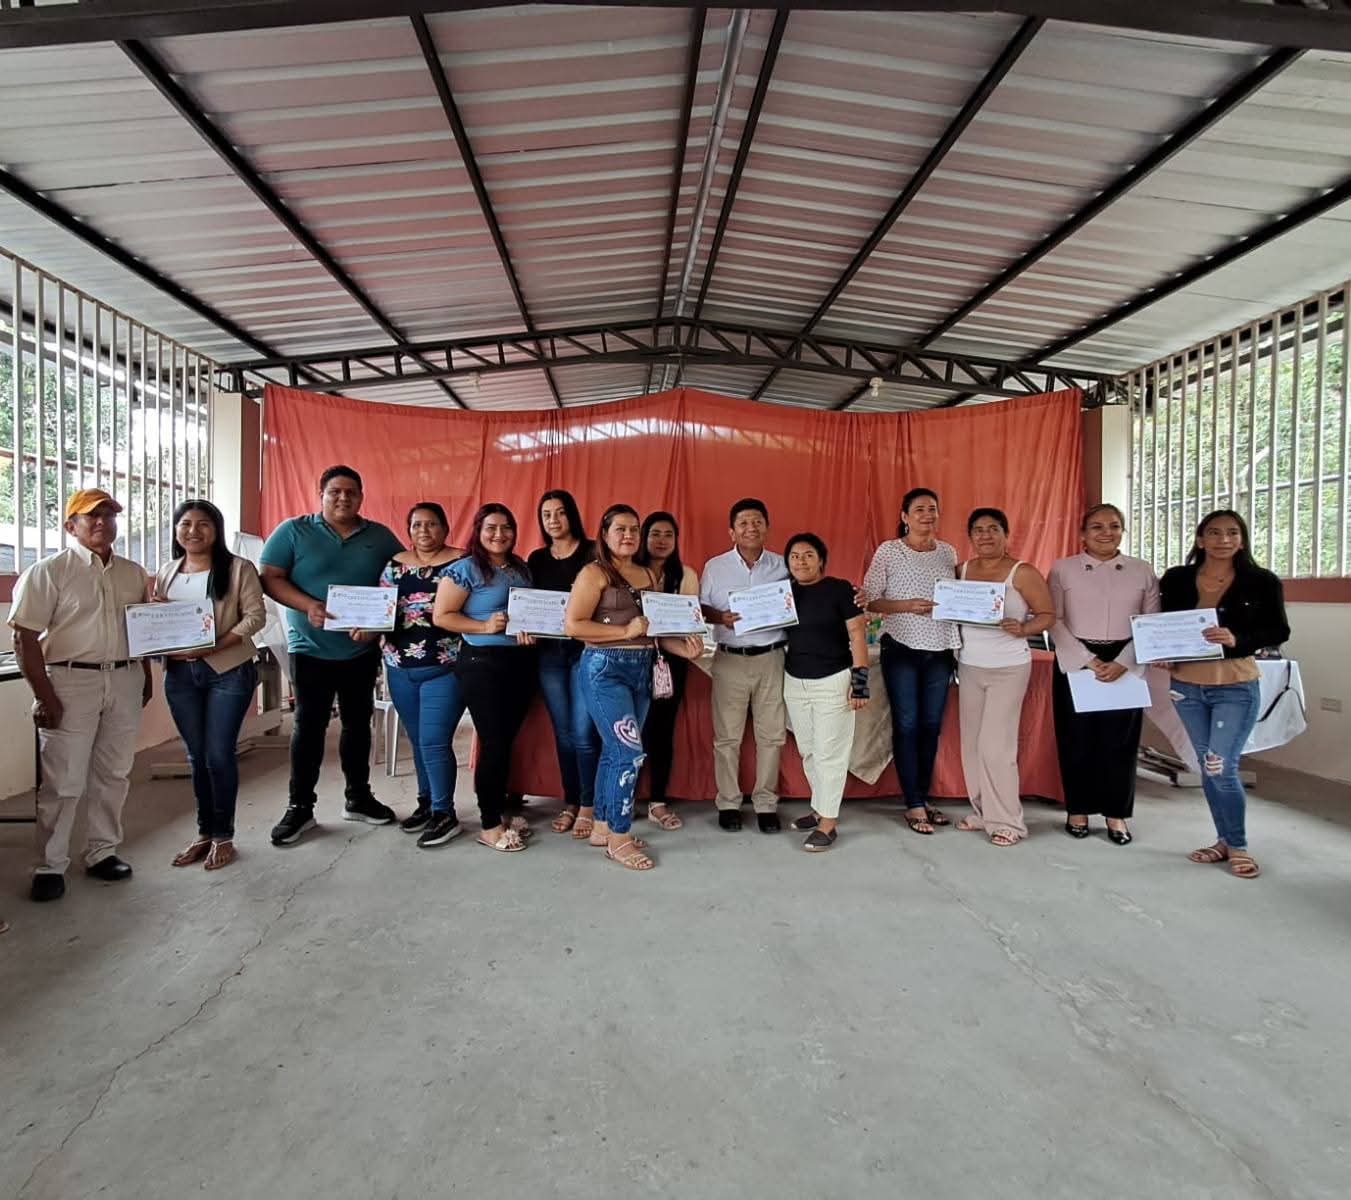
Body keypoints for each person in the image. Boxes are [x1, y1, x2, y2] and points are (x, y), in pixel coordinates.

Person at [9, 488, 152, 901]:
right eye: (92, 516)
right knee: (63, 779)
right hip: (70, 681)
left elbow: (140, 630)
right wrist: (44, 696)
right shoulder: (48, 572)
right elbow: (24, 638)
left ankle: (102, 852)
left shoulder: (132, 573)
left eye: (110, 515)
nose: (103, 522)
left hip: (123, 679)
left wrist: (144, 676)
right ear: (71, 526)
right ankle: (49, 865)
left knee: (114, 773)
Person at [260, 465, 404, 845]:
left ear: (361, 497)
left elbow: (400, 583)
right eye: (335, 491)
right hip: (310, 648)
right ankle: (300, 807)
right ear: (321, 494)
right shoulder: (293, 531)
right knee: (308, 726)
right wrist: (307, 605)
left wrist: (377, 625)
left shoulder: (380, 536)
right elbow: (270, 576)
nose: (343, 498)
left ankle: (358, 797)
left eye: (351, 492)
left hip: (360, 649)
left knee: (358, 725)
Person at [565, 504, 703, 870]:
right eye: (620, 529)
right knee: (628, 753)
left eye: (634, 529)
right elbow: (574, 626)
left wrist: (684, 649)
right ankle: (620, 838)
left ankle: (603, 827)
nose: (628, 535)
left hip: (642, 669)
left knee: (615, 753)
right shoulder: (593, 573)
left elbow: (654, 631)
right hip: (604, 669)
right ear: (605, 534)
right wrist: (624, 631)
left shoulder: (646, 574)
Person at [1161, 509, 1289, 880]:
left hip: (1235, 685)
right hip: (1186, 686)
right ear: (1200, 539)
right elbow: (1162, 624)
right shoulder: (1177, 578)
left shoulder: (1262, 581)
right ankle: (1222, 841)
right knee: (1208, 766)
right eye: (1214, 533)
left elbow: (1278, 630)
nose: (1224, 540)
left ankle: (1238, 845)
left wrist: (1237, 639)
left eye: (1232, 532)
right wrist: (1161, 652)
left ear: (1242, 539)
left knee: (1221, 766)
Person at [154, 499, 267, 871]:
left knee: (218, 755)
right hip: (179, 675)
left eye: (203, 524)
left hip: (227, 670)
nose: (194, 531)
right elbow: (157, 622)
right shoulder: (167, 572)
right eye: (185, 524)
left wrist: (214, 645)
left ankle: (224, 835)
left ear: (216, 529)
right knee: (196, 756)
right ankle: (203, 833)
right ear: (176, 531)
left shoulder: (238, 568)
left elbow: (255, 617)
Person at [1049, 503, 1159, 845]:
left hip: (1126, 658)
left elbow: (1151, 622)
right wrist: (1087, 659)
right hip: (1077, 658)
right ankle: (1078, 809)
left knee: (1119, 742)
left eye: (1114, 526)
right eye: (1097, 526)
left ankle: (1116, 814)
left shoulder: (1142, 570)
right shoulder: (1063, 569)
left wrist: (1125, 660)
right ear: (1083, 533)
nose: (1106, 532)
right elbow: (1053, 618)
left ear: (1123, 531)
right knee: (1076, 738)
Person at [433, 503, 537, 852]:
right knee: (493, 743)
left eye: (506, 527)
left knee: (505, 741)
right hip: (482, 664)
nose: (499, 534)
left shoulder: (520, 568)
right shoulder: (464, 569)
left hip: (520, 662)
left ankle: (501, 812)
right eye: (491, 527)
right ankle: (490, 824)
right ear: (478, 531)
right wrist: (483, 625)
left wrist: (533, 630)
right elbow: (442, 615)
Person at [862, 487, 960, 834]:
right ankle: (913, 803)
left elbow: (958, 598)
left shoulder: (948, 552)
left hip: (941, 649)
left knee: (931, 725)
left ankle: (923, 797)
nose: (927, 515)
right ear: (905, 516)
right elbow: (869, 600)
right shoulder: (889, 551)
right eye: (919, 509)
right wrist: (905, 606)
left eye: (932, 509)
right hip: (901, 647)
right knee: (906, 724)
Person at [954, 508, 1055, 846]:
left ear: (1005, 534)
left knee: (997, 746)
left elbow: (1048, 615)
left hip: (1008, 667)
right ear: (970, 537)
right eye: (978, 530)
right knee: (971, 745)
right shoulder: (961, 571)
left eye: (993, 529)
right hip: (969, 666)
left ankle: (1008, 821)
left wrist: (1024, 628)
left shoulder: (1021, 572)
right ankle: (983, 812)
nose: (985, 535)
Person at [373, 503, 466, 849]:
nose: (424, 531)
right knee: (417, 740)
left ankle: (445, 813)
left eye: (431, 524)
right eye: (416, 525)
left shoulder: (462, 563)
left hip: (446, 666)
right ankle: (426, 803)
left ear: (445, 528)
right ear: (408, 530)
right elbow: (379, 609)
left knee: (434, 741)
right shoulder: (394, 566)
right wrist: (363, 626)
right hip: (399, 667)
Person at [699, 498, 790, 833]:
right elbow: (701, 608)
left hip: (772, 658)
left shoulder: (784, 565)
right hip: (729, 659)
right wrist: (719, 617)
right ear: (732, 531)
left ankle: (766, 803)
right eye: (743, 523)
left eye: (757, 522)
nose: (751, 528)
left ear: (767, 527)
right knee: (727, 737)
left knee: (772, 735)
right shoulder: (715, 567)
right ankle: (728, 803)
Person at [780, 534, 868, 852]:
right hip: (795, 681)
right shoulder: (784, 593)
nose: (801, 561)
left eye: (808, 555)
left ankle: (828, 824)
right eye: (794, 556)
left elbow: (857, 635)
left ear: (821, 560)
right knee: (809, 750)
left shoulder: (840, 590)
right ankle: (819, 808)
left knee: (830, 753)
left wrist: (861, 683)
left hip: (833, 681)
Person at [525, 490, 601, 839]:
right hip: (549, 655)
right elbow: (528, 603)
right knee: (564, 733)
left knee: (584, 733)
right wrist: (523, 625)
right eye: (546, 515)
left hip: (586, 651)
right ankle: (571, 801)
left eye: (560, 512)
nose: (553, 520)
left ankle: (589, 804)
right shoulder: (537, 558)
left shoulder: (593, 552)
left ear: (572, 515)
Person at [634, 510, 700, 831]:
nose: (662, 541)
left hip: (670, 661)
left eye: (668, 535)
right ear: (643, 538)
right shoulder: (629, 572)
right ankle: (624, 796)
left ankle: (657, 801)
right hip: (631, 657)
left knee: (661, 731)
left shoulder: (685, 575)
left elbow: (687, 623)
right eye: (655, 534)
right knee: (629, 730)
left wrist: (689, 645)